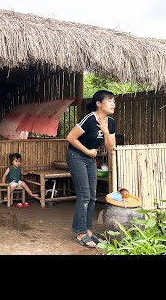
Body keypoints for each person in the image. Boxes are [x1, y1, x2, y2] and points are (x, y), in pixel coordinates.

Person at [66, 90, 116, 248]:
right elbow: (70, 138)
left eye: (113, 101)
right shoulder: (88, 119)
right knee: (84, 195)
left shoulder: (111, 122)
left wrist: (105, 129)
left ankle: (88, 230)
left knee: (92, 196)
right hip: (76, 156)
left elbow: (110, 146)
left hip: (90, 159)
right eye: (109, 100)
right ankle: (80, 233)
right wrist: (87, 151)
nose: (113, 103)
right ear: (98, 104)